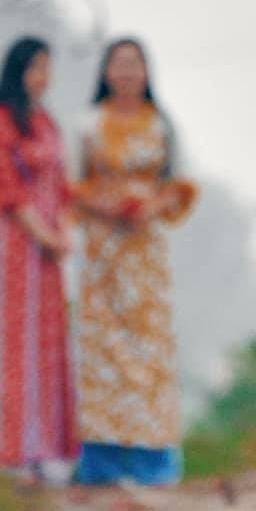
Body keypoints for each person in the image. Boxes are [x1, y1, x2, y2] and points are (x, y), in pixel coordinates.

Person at [70, 37, 199, 486]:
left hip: (145, 250)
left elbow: (180, 183)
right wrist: (103, 206)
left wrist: (151, 206)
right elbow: (71, 184)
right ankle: (101, 458)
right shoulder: (88, 124)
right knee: (103, 346)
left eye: (135, 65)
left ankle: (153, 457)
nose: (126, 73)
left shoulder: (162, 124)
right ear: (106, 72)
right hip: (103, 247)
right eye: (119, 64)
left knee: (149, 346)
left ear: (147, 72)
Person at [0, 36, 79, 477]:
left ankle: (44, 449)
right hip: (16, 243)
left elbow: (63, 185)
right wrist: (45, 236)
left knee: (46, 346)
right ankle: (7, 448)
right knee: (11, 344)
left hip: (50, 249)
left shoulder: (47, 122)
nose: (42, 77)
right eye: (34, 68)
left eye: (47, 68)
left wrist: (64, 233)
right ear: (16, 71)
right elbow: (6, 188)